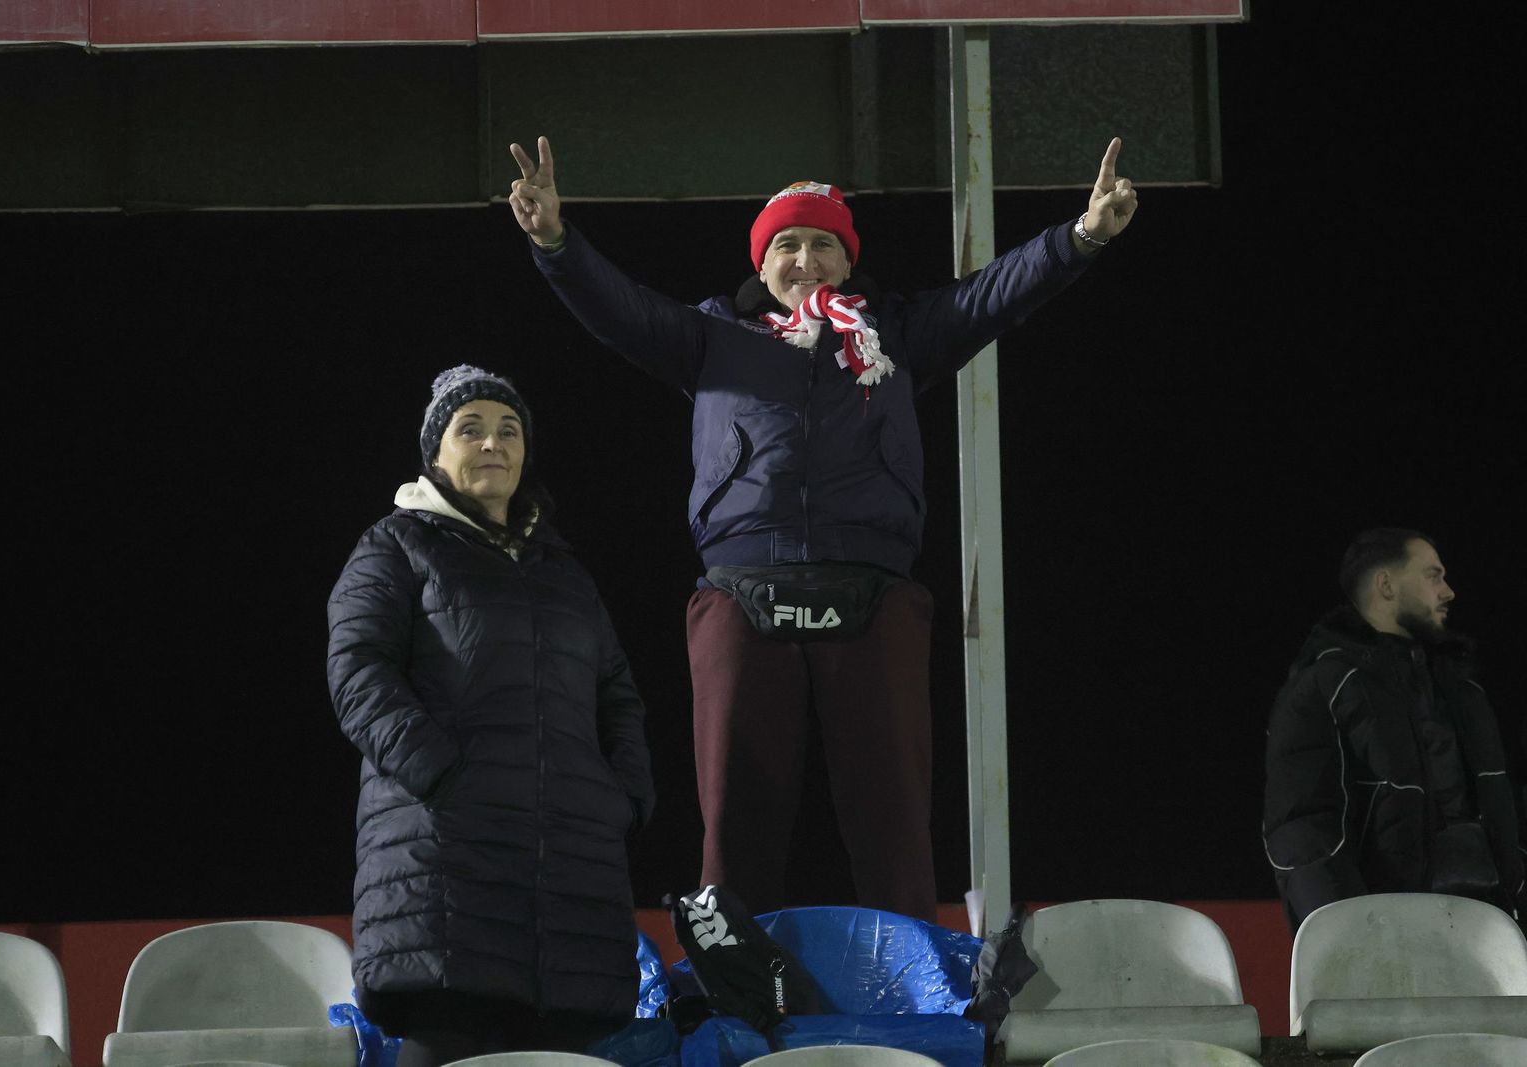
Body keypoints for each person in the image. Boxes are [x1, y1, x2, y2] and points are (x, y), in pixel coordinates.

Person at [507, 134, 1137, 921]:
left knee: (894, 829)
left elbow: (993, 294)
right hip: (742, 587)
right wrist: (555, 242)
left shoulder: (894, 334)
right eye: (787, 245)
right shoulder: (713, 336)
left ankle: (909, 982)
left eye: (822, 244)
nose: (805, 259)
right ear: (761, 263)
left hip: (873, 587)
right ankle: (731, 976)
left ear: (847, 260)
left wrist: (1082, 236)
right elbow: (620, 308)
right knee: (735, 826)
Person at [326, 365, 656, 1064]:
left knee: (561, 1051)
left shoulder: (563, 570)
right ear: (435, 453)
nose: (492, 444)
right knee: (449, 1033)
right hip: (448, 856)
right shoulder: (395, 545)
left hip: (570, 862)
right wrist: (445, 776)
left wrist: (622, 796)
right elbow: (358, 670)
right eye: (469, 429)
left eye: (509, 431)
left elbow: (617, 693)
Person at [1263, 529, 1525, 931]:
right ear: (1386, 585)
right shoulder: (1324, 686)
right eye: (1433, 576)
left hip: (1489, 929)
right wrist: (1353, 932)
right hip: (1386, 931)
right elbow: (1302, 828)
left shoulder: (1464, 690)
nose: (1448, 592)